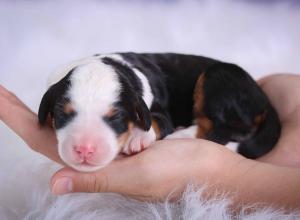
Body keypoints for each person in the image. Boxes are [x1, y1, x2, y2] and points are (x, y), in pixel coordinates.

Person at [1, 74, 300, 211]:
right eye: (66, 118)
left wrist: (230, 175)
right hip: (272, 106)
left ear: (136, 112)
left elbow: (156, 121)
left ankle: (220, 133)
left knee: (220, 86)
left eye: (113, 119)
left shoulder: (142, 102)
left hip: (230, 88)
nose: (85, 145)